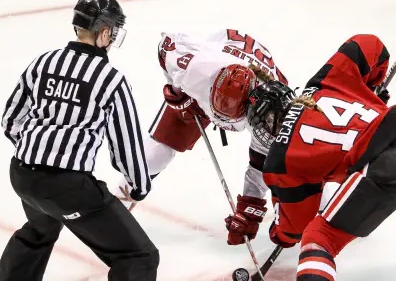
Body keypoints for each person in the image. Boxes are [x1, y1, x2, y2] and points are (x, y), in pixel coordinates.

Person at [238, 34, 396, 280]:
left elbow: (296, 226)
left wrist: (279, 234)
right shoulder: (323, 83)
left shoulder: (281, 157)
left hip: (387, 169)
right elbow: (368, 44)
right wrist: (369, 88)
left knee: (319, 237)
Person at [0, 0, 159, 281]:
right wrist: (139, 187)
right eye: (113, 32)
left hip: (22, 175)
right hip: (69, 188)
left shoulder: (43, 62)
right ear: (104, 31)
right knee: (139, 255)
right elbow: (126, 147)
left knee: (40, 229)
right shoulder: (111, 80)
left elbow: (10, 121)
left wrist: (37, 153)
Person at [117, 29, 289, 245]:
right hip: (201, 92)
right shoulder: (196, 68)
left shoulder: (268, 109)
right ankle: (114, 208)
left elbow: (259, 164)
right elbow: (167, 43)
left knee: (283, 165)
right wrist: (178, 92)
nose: (217, 119)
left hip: (246, 91)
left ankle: (313, 209)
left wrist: (249, 207)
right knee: (153, 158)